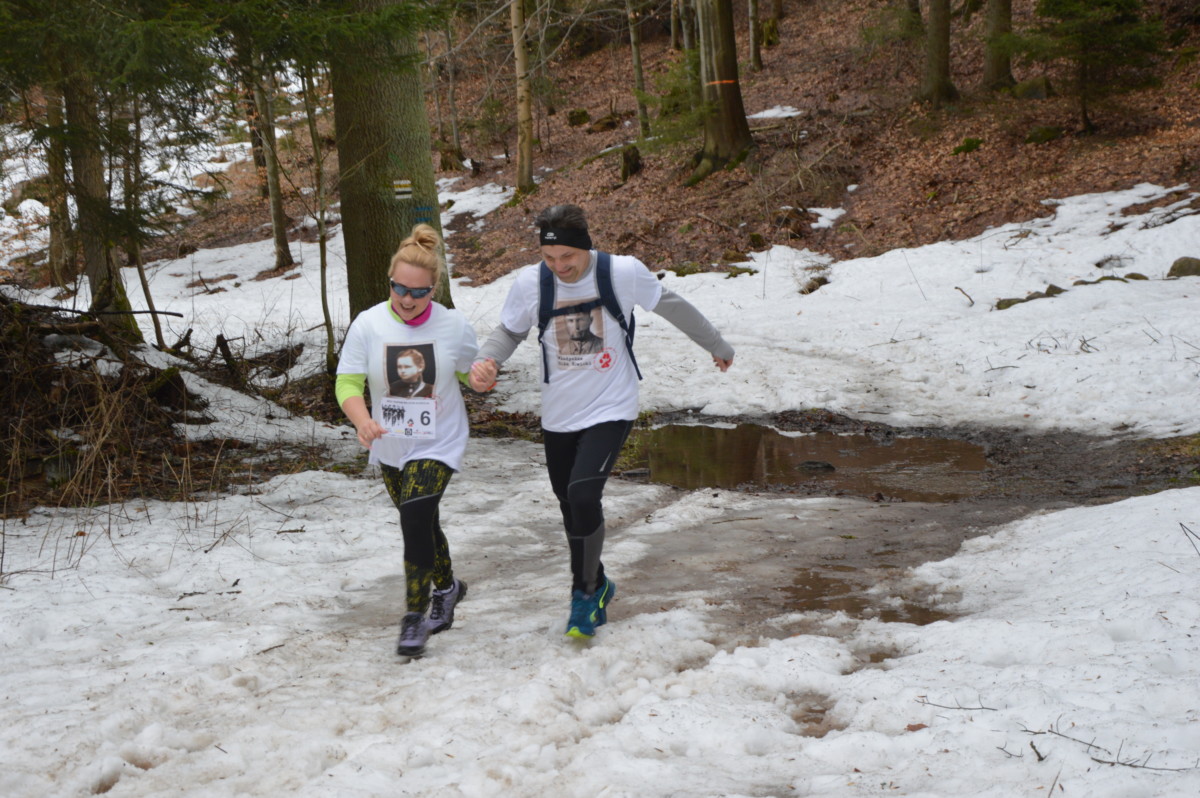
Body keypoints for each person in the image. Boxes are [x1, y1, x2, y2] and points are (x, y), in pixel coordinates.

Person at [470, 204, 734, 639]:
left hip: (612, 405)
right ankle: (599, 580)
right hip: (559, 413)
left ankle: (585, 595)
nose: (559, 267)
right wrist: (487, 360)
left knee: (583, 492)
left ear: (586, 247)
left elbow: (672, 306)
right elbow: (510, 331)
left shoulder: (621, 273)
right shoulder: (531, 283)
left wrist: (717, 344)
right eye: (549, 258)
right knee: (569, 503)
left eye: (567, 257)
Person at [336, 224, 479, 657]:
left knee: (414, 520)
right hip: (390, 443)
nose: (407, 299)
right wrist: (363, 421)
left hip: (439, 441)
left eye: (418, 292)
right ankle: (448, 587)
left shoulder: (453, 326)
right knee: (423, 522)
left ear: (434, 289)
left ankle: (414, 617)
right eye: (399, 288)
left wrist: (481, 377)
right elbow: (347, 383)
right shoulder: (369, 324)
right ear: (390, 282)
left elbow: (468, 375)